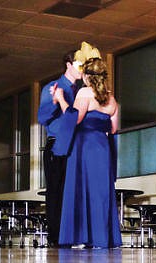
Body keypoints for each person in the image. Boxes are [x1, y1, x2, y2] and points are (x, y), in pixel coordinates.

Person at [52, 57, 122, 249]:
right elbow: (113, 129)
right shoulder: (112, 99)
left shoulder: (84, 92)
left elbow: (74, 119)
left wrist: (61, 99)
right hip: (102, 148)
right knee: (100, 191)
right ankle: (101, 239)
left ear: (86, 76)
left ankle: (82, 237)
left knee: (81, 188)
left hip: (84, 147)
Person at [37, 48, 83, 247]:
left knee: (74, 191)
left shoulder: (82, 91)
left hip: (76, 145)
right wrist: (56, 101)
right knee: (56, 192)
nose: (82, 70)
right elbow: (42, 118)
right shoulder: (52, 87)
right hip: (56, 144)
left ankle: (74, 234)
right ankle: (55, 237)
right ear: (69, 65)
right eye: (80, 65)